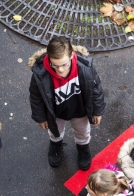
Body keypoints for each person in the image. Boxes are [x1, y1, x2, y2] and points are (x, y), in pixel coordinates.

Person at [29, 36, 105, 170]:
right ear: (48, 58)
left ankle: (83, 148)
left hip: (79, 110)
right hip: (56, 113)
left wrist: (97, 110)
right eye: (55, 65)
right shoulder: (40, 74)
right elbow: (36, 97)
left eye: (64, 64)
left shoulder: (85, 67)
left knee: (83, 132)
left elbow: (96, 88)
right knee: (55, 131)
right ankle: (55, 145)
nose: (60, 70)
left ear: (71, 55)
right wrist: (40, 117)